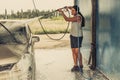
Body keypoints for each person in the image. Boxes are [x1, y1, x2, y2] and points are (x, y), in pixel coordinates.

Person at [58, 5, 84, 72]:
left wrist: (62, 12)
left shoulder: (78, 17)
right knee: (73, 51)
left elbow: (67, 19)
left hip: (78, 36)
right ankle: (75, 66)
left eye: (73, 10)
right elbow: (72, 8)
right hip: (72, 35)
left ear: (76, 11)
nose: (71, 11)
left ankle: (81, 65)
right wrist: (67, 7)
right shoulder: (75, 14)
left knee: (77, 51)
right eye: (71, 10)